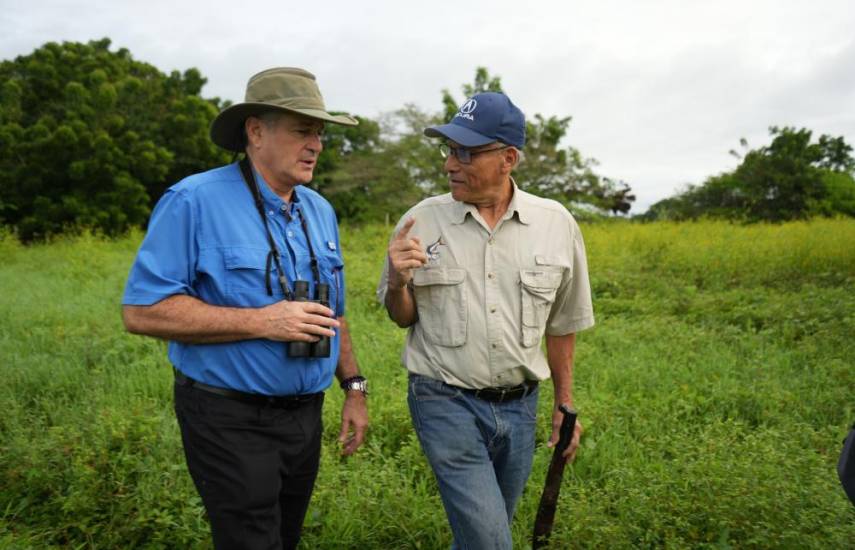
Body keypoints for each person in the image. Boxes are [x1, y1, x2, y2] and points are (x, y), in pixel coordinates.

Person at [122, 67, 369, 550]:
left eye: (319, 132)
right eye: (303, 130)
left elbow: (333, 314)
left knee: (285, 535)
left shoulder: (320, 210)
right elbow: (142, 311)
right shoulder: (193, 201)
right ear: (255, 131)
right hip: (227, 414)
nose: (316, 144)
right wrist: (262, 321)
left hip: (304, 416)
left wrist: (354, 387)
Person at [377, 92, 595, 549]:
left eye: (466, 152)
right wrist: (397, 282)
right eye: (449, 150)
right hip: (443, 400)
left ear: (508, 158)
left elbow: (562, 323)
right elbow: (402, 317)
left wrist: (565, 403)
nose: (450, 164)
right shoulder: (421, 220)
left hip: (520, 407)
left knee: (482, 533)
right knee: (491, 540)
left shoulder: (556, 224)